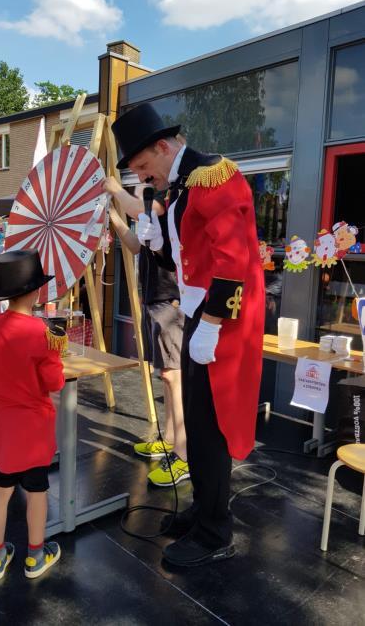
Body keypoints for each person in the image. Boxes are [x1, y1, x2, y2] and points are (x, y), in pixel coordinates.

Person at [112, 103, 265, 566]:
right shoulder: (176, 187)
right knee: (198, 427)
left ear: (164, 146)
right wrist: (155, 232)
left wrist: (213, 325)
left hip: (223, 321)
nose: (142, 176)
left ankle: (215, 532)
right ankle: (203, 509)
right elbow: (183, 256)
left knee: (210, 428)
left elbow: (234, 260)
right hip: (199, 312)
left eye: (142, 166)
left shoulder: (213, 175)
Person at [0, 249, 65, 581]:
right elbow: (55, 383)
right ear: (37, 291)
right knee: (37, 492)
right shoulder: (44, 333)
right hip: (33, 429)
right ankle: (35, 557)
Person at [103, 181, 188, 486]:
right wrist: (114, 216)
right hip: (157, 302)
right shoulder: (149, 221)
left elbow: (143, 209)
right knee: (168, 376)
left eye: (141, 192)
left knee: (174, 377)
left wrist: (115, 189)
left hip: (169, 303)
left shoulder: (164, 208)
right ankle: (168, 440)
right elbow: (136, 245)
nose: (138, 201)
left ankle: (183, 456)